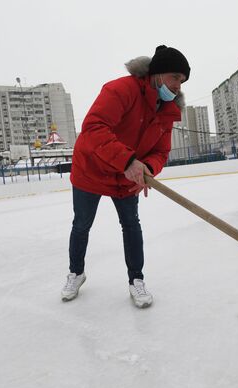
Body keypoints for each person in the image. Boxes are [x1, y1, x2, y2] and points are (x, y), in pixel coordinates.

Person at [61, 45, 190, 308]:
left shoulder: (167, 111)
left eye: (182, 80)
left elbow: (161, 151)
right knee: (82, 224)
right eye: (175, 77)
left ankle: (136, 280)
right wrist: (129, 161)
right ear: (157, 73)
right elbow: (93, 127)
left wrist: (148, 170)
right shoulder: (121, 90)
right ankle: (76, 272)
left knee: (131, 224)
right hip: (91, 169)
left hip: (126, 177)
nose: (178, 85)